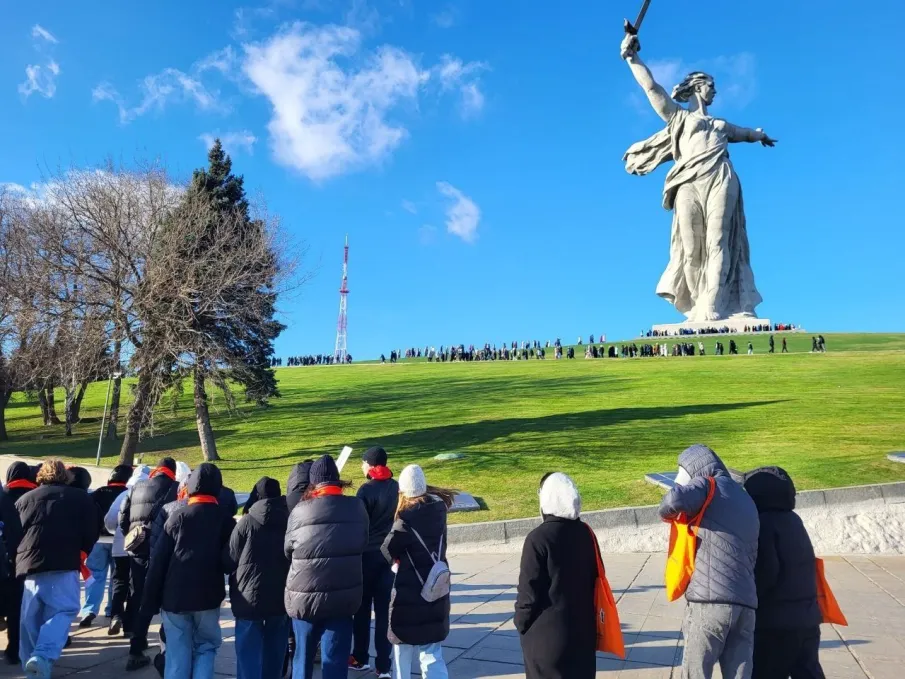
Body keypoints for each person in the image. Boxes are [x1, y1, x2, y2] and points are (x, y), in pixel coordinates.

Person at [659, 445, 759, 679]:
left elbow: (673, 499)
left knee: (696, 673)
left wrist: (667, 515)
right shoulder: (745, 498)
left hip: (709, 603)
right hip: (745, 606)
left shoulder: (708, 485)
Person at [142, 463, 236, 679]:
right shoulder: (225, 520)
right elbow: (230, 561)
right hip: (208, 596)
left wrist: (149, 600)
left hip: (175, 595)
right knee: (206, 646)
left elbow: (159, 561)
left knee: (177, 652)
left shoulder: (177, 516)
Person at [284, 454, 368, 679]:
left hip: (304, 596)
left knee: (303, 657)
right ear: (337, 480)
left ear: (314, 482)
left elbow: (288, 549)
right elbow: (363, 542)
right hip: (343, 596)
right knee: (336, 660)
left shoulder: (300, 510)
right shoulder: (357, 507)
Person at [15, 459, 99, 679]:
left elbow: (16, 533)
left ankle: (33, 667)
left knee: (30, 621)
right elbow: (92, 529)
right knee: (63, 611)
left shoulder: (25, 499)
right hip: (64, 562)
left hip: (30, 566)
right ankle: (42, 657)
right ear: (66, 476)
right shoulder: (80, 499)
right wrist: (83, 550)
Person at [743, 468, 825, 679]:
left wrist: (749, 601)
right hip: (807, 618)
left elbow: (766, 573)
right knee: (808, 672)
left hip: (776, 624)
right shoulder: (794, 520)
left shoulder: (763, 524)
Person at [515, 472, 598, 679]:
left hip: (547, 638)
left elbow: (528, 593)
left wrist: (521, 622)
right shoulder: (585, 533)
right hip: (582, 633)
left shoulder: (538, 538)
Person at [381, 465, 454, 679]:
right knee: (432, 652)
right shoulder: (439, 510)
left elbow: (387, 550)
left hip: (409, 592)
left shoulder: (405, 520)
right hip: (435, 589)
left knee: (402, 649)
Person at [224, 477, 291, 679]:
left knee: (248, 651)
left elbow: (229, 559)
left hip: (248, 595)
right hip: (280, 593)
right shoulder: (291, 519)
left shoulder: (246, 522)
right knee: (276, 647)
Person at [119, 456, 180, 671]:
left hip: (138, 549)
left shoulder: (137, 486)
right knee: (164, 599)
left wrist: (133, 535)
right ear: (173, 471)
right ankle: (166, 648)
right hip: (163, 551)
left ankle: (136, 647)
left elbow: (122, 517)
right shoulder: (176, 488)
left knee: (138, 597)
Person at [350, 447, 398, 677]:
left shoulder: (365, 490)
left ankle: (359, 656)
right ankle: (384, 665)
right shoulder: (396, 487)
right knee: (383, 612)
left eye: (362, 462)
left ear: (370, 465)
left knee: (361, 610)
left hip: (366, 556)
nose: (361, 466)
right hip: (388, 556)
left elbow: (359, 524)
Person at [80, 465, 132, 628]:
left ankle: (89, 610)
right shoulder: (128, 494)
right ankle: (111, 610)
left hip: (98, 540)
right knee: (117, 578)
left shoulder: (97, 493)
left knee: (96, 575)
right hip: (119, 541)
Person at [105, 466, 151, 639]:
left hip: (120, 544)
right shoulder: (149, 494)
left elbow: (110, 520)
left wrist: (115, 532)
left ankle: (116, 614)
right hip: (139, 546)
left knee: (119, 581)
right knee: (135, 585)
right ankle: (130, 625)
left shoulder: (123, 495)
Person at [2, 462, 36, 663]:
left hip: (3, 558)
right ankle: (13, 649)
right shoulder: (34, 496)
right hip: (22, 560)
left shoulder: (4, 496)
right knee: (17, 609)